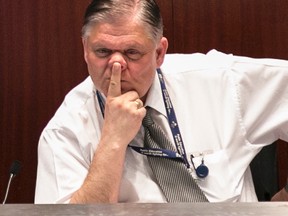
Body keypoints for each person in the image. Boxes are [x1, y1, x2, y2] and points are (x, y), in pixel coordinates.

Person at [34, 0, 288, 203]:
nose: (116, 65)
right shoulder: (65, 130)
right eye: (103, 52)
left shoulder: (221, 81)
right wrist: (112, 140)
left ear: (159, 53)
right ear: (85, 49)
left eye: (132, 52)